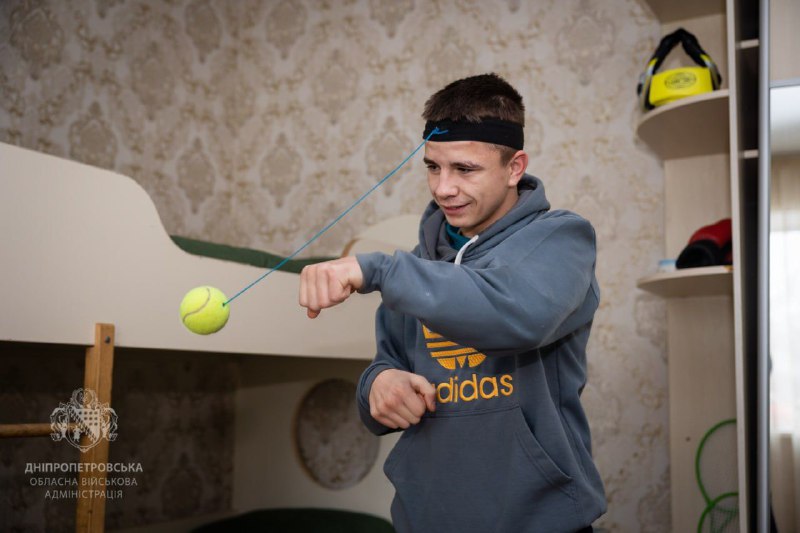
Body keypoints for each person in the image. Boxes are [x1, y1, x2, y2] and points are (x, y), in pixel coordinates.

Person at [299, 73, 606, 533]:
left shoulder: (562, 239)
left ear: (514, 167)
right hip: (426, 520)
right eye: (433, 167)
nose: (443, 188)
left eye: (464, 169)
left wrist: (380, 270)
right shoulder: (418, 266)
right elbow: (386, 365)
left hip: (539, 521)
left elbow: (517, 315)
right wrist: (378, 384)